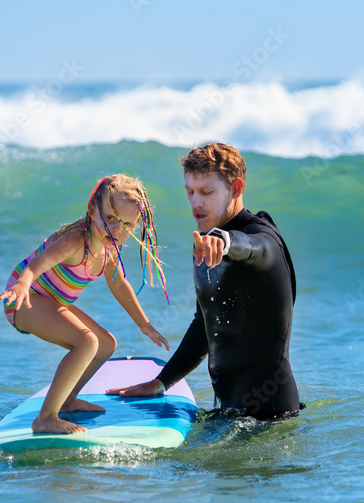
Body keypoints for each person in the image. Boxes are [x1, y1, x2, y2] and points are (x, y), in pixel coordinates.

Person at [106, 143, 300, 419]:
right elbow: (205, 327)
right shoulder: (205, 243)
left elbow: (254, 249)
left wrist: (223, 241)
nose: (196, 202)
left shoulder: (263, 238)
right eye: (190, 192)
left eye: (207, 192)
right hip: (227, 411)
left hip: (271, 415)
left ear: (236, 188)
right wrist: (161, 382)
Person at [0, 174, 170, 434]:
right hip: (24, 298)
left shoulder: (110, 248)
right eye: (110, 218)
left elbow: (120, 285)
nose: (117, 229)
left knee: (105, 344)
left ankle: (67, 400)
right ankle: (45, 418)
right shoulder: (75, 241)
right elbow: (38, 264)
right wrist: (22, 285)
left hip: (50, 300)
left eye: (127, 224)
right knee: (86, 341)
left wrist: (144, 325)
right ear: (92, 210)